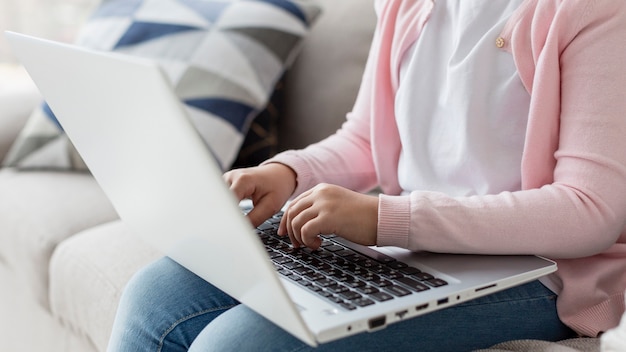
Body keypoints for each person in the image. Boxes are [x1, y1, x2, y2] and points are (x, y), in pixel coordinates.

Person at [106, 0, 626, 351]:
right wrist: (288, 172)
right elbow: (367, 137)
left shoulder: (596, 12)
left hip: (545, 272)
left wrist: (386, 217)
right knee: (154, 296)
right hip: (409, 242)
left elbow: (590, 211)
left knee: (238, 344)